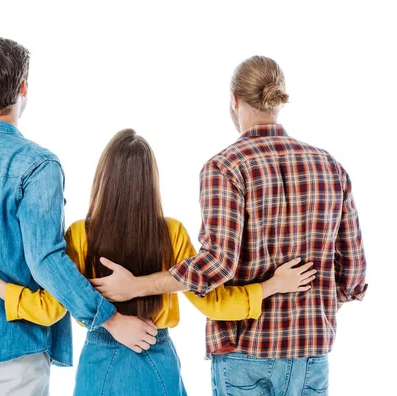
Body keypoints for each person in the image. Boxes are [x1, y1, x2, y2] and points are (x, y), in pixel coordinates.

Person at [0, 129, 316, 395]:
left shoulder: (80, 235)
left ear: (104, 178)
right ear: (151, 181)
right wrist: (272, 285)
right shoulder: (171, 232)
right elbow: (215, 303)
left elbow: (48, 309)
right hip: (158, 358)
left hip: (99, 359)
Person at [0, 37, 158, 396]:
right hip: (15, 345)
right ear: (23, 89)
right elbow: (46, 261)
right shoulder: (37, 166)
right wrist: (108, 318)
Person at [91, 56, 368, 395]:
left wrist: (136, 286)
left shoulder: (225, 167)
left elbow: (217, 265)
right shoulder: (331, 167)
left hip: (244, 352)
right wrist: (317, 306)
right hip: (312, 354)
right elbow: (354, 276)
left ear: (234, 101)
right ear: (278, 101)